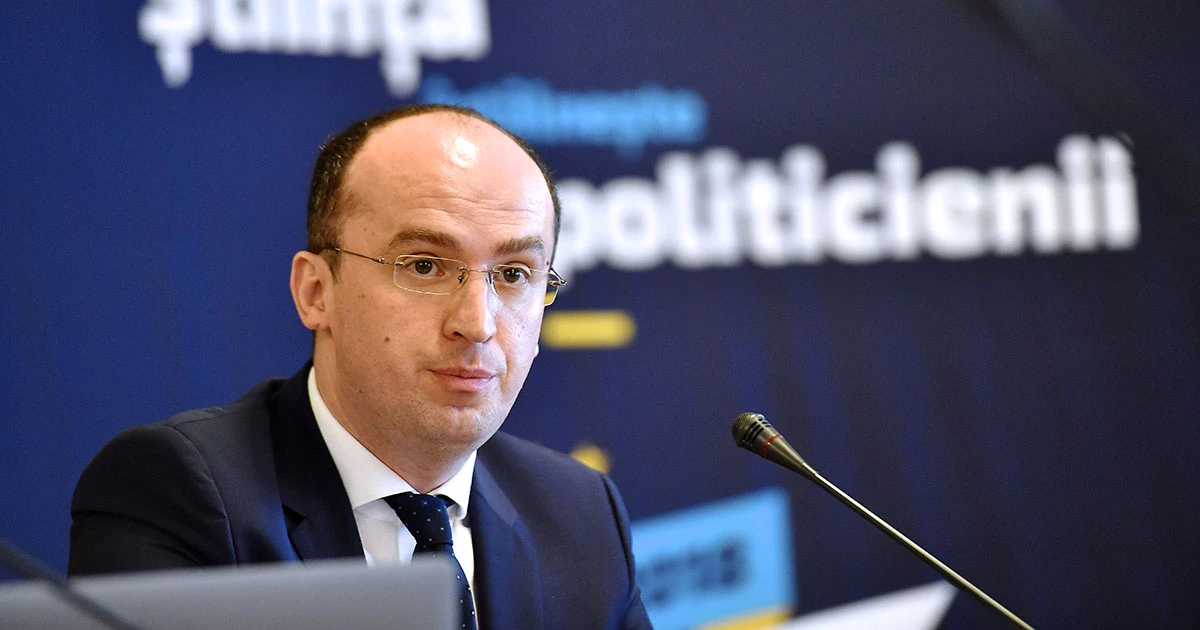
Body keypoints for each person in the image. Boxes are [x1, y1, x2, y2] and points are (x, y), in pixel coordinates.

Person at [69, 104, 653, 629]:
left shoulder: (579, 512)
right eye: (424, 266)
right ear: (316, 292)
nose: (477, 323)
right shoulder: (179, 492)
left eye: (514, 274)